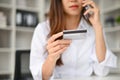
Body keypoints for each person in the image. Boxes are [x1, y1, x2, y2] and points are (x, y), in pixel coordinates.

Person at [30, 0, 117, 80]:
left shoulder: (94, 29)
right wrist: (51, 58)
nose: (73, 0)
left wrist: (98, 26)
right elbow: (41, 77)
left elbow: (102, 71)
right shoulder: (43, 29)